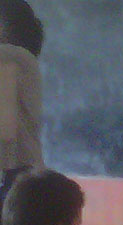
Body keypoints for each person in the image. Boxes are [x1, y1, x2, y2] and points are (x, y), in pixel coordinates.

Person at [0, 1, 44, 212]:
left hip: (15, 172)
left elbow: (6, 131)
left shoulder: (13, 56)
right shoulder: (19, 59)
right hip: (17, 171)